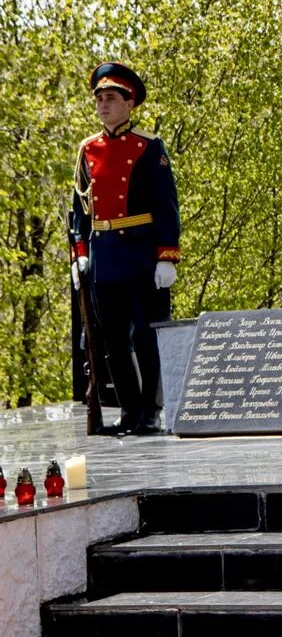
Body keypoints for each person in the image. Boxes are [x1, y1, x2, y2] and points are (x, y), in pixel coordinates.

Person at [71, 62, 181, 435]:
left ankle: (150, 408)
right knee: (113, 338)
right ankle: (129, 410)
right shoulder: (87, 150)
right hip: (105, 258)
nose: (103, 105)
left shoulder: (149, 148)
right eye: (99, 98)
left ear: (129, 103)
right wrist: (80, 253)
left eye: (111, 98)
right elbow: (80, 210)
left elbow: (167, 206)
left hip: (141, 253)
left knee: (146, 336)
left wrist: (167, 255)